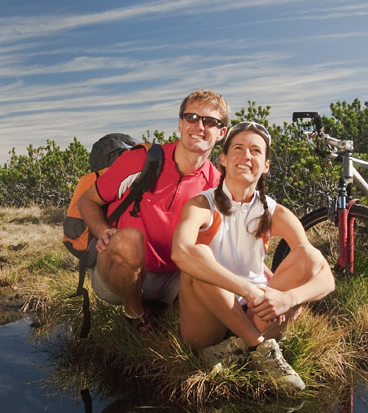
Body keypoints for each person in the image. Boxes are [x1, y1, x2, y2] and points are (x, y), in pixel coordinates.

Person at [171, 121, 334, 387]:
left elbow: (325, 276)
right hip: (208, 320)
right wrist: (249, 290)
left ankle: (235, 351)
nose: (247, 156)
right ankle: (261, 349)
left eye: (256, 151)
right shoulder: (203, 204)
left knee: (309, 255)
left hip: (256, 314)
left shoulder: (274, 212)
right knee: (198, 255)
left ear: (266, 165)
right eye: (238, 148)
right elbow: (181, 252)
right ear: (223, 159)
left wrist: (288, 298)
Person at [78, 91, 228, 329]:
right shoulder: (141, 160)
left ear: (221, 133)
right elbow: (88, 200)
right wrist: (103, 230)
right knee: (128, 239)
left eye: (210, 121)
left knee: (211, 268)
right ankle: (135, 315)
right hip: (118, 275)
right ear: (180, 123)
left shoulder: (217, 186)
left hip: (174, 278)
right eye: (191, 117)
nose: (199, 126)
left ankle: (168, 317)